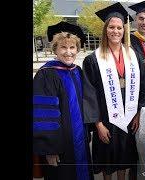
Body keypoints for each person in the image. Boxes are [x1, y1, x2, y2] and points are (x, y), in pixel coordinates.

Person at [83, 2, 145, 180]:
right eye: (111, 27)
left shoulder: (134, 56)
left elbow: (143, 86)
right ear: (105, 30)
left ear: (124, 30)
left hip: (129, 116)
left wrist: (138, 112)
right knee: (107, 157)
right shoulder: (93, 60)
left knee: (125, 157)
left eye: (119, 27)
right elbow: (89, 94)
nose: (115, 31)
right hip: (106, 118)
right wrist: (98, 124)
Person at [33, 21, 99, 180]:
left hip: (80, 141)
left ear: (77, 49)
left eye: (72, 47)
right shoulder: (46, 74)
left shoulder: (77, 71)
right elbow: (43, 115)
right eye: (63, 47)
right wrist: (50, 149)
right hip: (60, 146)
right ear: (55, 49)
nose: (68, 52)